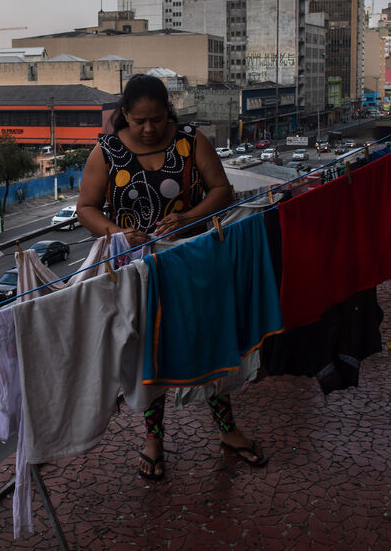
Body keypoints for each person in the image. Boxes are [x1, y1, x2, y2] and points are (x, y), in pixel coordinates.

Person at [76, 74, 268, 481]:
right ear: (123, 115)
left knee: (209, 343)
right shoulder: (105, 152)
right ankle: (153, 439)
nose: (149, 129)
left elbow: (222, 191)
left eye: (158, 119)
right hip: (138, 271)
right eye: (139, 120)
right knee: (151, 353)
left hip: (195, 261)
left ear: (169, 112)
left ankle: (228, 430)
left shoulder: (191, 140)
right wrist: (119, 234)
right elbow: (87, 209)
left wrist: (187, 218)